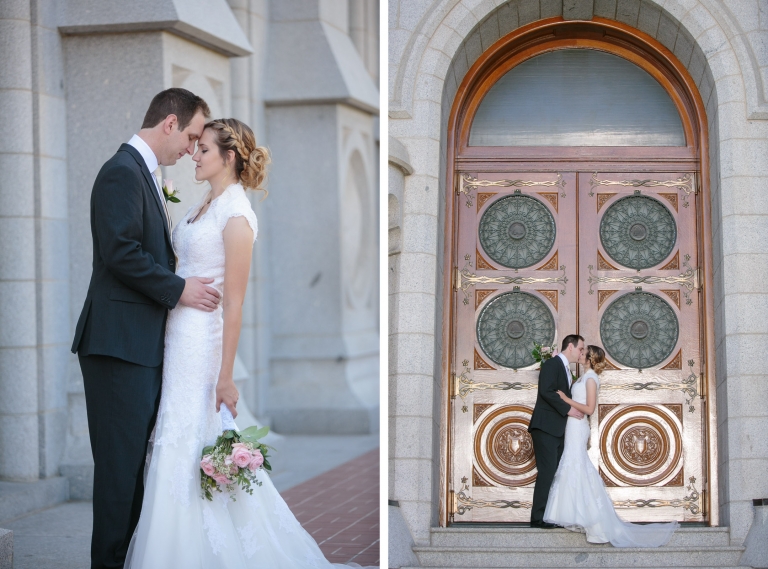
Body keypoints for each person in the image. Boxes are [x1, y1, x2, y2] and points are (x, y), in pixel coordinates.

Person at [124, 118, 373, 568]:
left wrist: (226, 377)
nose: (194, 155)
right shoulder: (204, 204)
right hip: (176, 338)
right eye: (196, 147)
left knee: (191, 437)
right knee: (176, 439)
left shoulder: (236, 215)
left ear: (229, 157)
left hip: (201, 344)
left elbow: (234, 304)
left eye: (203, 149)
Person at [71, 88, 221, 569]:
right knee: (118, 475)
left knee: (134, 471)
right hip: (118, 347)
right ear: (170, 124)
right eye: (191, 136)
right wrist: (179, 289)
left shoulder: (145, 173)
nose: (192, 149)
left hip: (137, 346)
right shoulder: (121, 171)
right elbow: (120, 251)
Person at [544, 345, 679, 546]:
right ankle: (578, 514)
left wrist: (565, 399)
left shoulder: (591, 379)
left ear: (590, 358)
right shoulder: (582, 377)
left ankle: (595, 522)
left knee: (577, 465)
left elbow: (590, 408)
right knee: (574, 466)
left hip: (578, 425)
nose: (580, 354)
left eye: (583, 352)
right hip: (571, 425)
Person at [528, 334, 585, 528]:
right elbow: (546, 391)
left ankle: (551, 515)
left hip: (557, 429)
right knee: (547, 471)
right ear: (570, 347)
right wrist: (568, 409)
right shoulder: (552, 364)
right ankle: (538, 519)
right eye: (580, 349)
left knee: (555, 472)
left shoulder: (565, 368)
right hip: (545, 427)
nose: (581, 353)